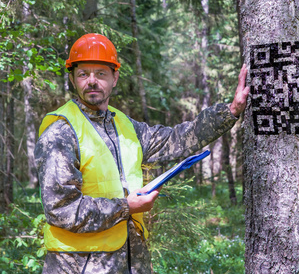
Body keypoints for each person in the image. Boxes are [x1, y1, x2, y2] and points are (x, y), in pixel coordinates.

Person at [35, 33, 250, 274]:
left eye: (101, 73)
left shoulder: (123, 125)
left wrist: (231, 111)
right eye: (83, 74)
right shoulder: (60, 133)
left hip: (129, 260)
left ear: (115, 77)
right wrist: (126, 206)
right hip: (79, 266)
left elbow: (175, 140)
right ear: (73, 79)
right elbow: (61, 210)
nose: (92, 81)